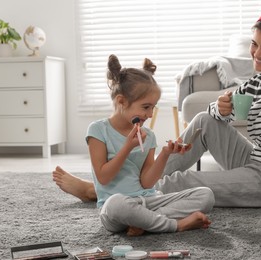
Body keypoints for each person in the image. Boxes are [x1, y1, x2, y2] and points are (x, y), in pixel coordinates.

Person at [54, 8, 261, 209]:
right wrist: (221, 108)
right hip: (255, 162)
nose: (257, 54)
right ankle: (134, 180)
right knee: (204, 119)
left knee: (186, 181)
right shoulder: (255, 83)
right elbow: (216, 115)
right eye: (254, 45)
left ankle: (104, 191)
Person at [55, 54, 215, 236]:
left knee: (205, 195)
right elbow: (103, 178)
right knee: (116, 204)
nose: (150, 114)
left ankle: (144, 221)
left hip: (148, 200)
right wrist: (127, 148)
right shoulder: (98, 130)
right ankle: (175, 225)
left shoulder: (150, 136)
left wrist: (164, 154)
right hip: (117, 206)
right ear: (121, 101)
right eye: (146, 107)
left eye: (153, 108)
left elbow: (147, 183)